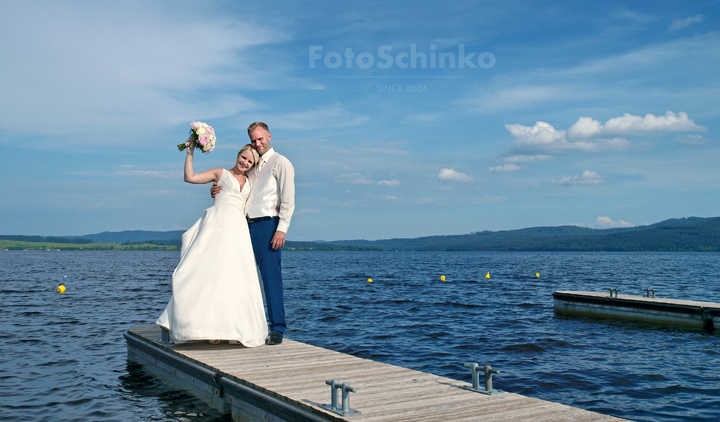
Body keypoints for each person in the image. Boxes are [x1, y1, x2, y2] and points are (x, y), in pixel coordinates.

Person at [156, 143, 268, 347]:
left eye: (250, 161)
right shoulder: (220, 173)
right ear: (238, 155)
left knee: (234, 277)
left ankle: (232, 329)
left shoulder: (251, 181)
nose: (245, 162)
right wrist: (190, 153)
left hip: (238, 231)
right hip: (217, 225)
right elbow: (190, 178)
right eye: (243, 157)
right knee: (208, 273)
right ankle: (205, 328)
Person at [211, 122, 295, 345]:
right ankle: (239, 325)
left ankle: (277, 327)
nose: (258, 144)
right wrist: (217, 189)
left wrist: (281, 229)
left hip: (268, 227)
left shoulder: (281, 163)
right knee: (240, 277)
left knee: (271, 279)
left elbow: (288, 200)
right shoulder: (251, 165)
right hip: (242, 225)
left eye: (261, 139)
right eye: (253, 140)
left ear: (269, 135)